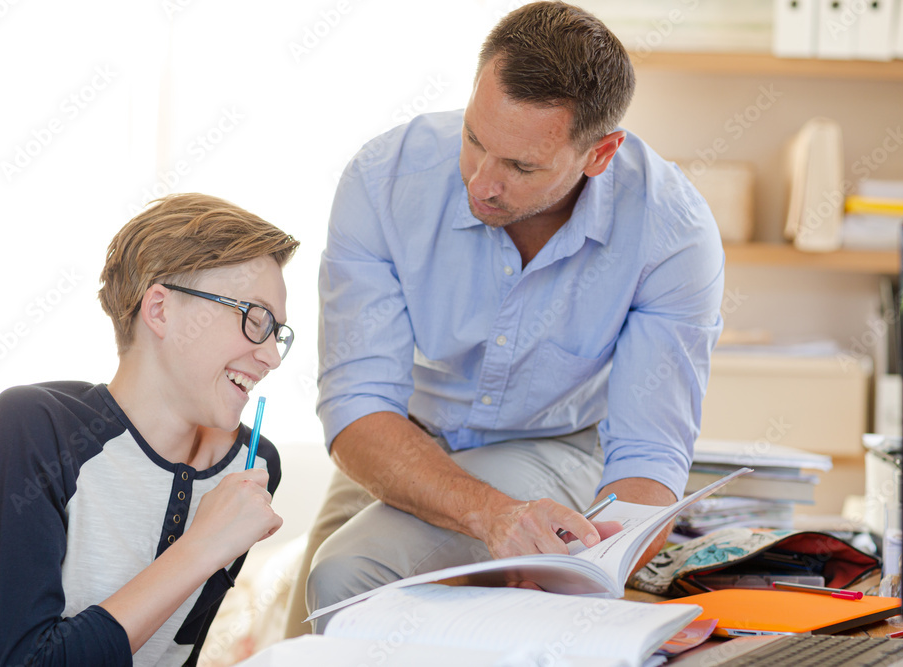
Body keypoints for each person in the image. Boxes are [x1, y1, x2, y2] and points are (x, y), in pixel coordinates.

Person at [292, 1, 725, 634]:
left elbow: (646, 454)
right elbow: (358, 404)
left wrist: (595, 565)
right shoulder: (384, 180)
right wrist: (492, 515)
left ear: (599, 154)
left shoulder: (672, 234)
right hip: (402, 437)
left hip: (553, 442)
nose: (481, 183)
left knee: (354, 576)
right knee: (317, 614)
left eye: (521, 167)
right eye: (474, 139)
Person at [0, 194, 299, 666]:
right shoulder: (31, 430)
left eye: (277, 331)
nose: (272, 356)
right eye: (255, 319)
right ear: (160, 310)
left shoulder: (252, 466)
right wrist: (205, 544)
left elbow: (174, 655)